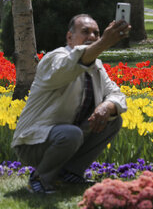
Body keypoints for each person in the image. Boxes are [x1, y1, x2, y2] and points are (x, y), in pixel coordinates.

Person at [11, 14, 130, 193]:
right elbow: (70, 66)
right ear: (69, 37)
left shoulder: (96, 65)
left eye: (96, 33)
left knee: (113, 119)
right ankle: (39, 178)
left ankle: (70, 174)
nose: (92, 37)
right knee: (71, 133)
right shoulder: (55, 58)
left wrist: (107, 106)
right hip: (33, 142)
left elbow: (116, 94)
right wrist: (104, 42)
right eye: (85, 32)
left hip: (67, 135)